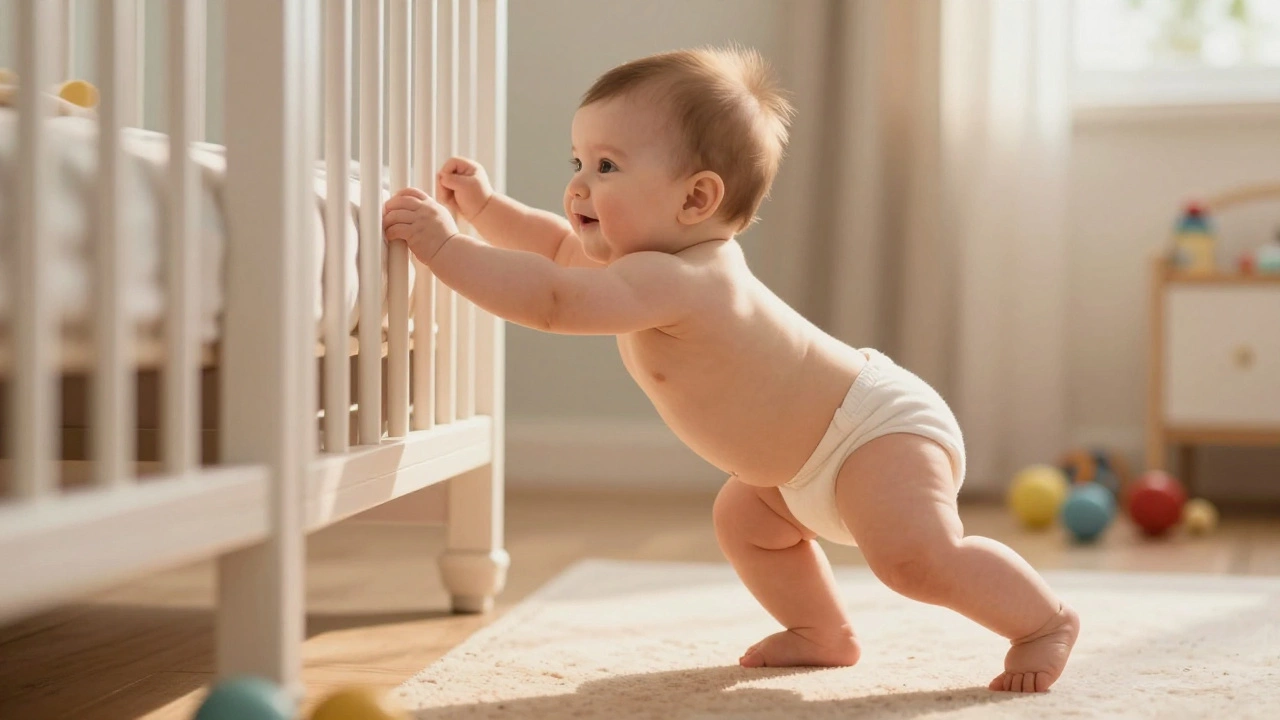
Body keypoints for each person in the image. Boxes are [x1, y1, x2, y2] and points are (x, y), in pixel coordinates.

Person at [382, 45, 1078, 693]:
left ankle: (1044, 622)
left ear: (695, 199)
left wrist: (445, 250)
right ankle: (821, 631)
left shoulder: (685, 279)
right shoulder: (641, 265)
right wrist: (483, 210)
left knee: (915, 561)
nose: (579, 189)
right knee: (744, 522)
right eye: (577, 165)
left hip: (872, 430)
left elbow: (552, 299)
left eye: (607, 167)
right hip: (790, 472)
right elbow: (556, 248)